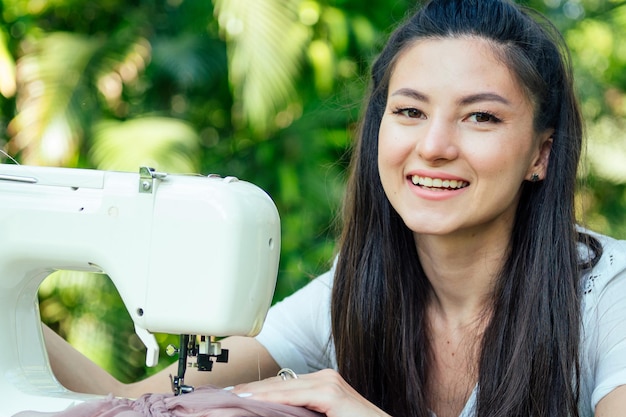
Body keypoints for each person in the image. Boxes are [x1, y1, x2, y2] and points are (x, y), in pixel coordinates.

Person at [44, 0, 626, 416]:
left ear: (540, 154)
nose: (434, 147)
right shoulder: (356, 288)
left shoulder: (608, 297)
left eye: (481, 117)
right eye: (410, 112)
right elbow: (131, 399)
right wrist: (10, 300)